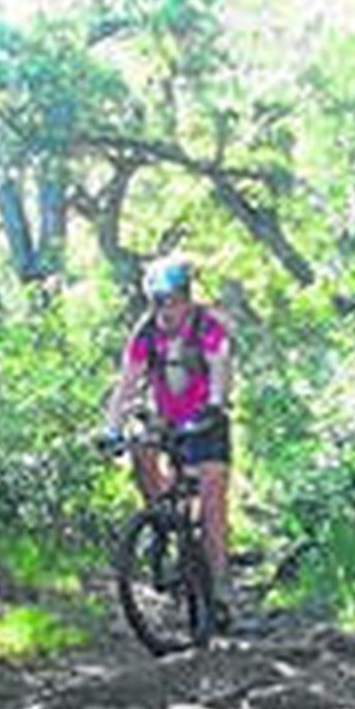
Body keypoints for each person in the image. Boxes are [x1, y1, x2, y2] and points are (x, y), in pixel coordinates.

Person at [103, 254, 235, 621]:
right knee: (139, 451)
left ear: (186, 298)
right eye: (157, 302)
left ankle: (219, 586)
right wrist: (111, 429)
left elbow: (220, 368)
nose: (164, 310)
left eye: (171, 301)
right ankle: (162, 524)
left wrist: (216, 403)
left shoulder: (208, 327)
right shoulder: (146, 332)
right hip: (167, 420)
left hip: (207, 420)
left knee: (211, 501)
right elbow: (127, 383)